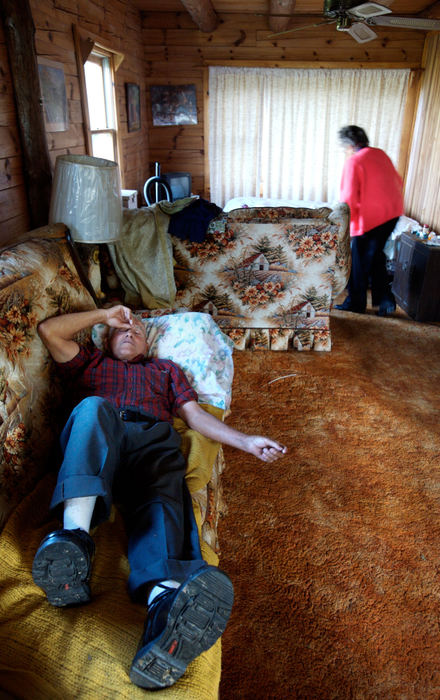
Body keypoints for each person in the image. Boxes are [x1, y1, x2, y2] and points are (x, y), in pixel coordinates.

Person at [32, 305, 287, 690]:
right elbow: (50, 331)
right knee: (93, 407)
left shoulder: (165, 370)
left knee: (167, 481)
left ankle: (164, 611)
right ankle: (73, 545)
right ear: (107, 336)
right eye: (122, 328)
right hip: (99, 443)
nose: (130, 330)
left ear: (149, 343)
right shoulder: (91, 363)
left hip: (150, 442)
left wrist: (246, 441)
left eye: (137, 327)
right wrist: (105, 314)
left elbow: (196, 416)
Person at [335, 125, 404, 316]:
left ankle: (356, 303)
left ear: (349, 145)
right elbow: (398, 182)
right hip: (392, 213)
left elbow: (348, 197)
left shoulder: (354, 162)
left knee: (357, 259)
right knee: (374, 255)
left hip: (371, 218)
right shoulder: (380, 154)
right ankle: (385, 301)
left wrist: (347, 225)